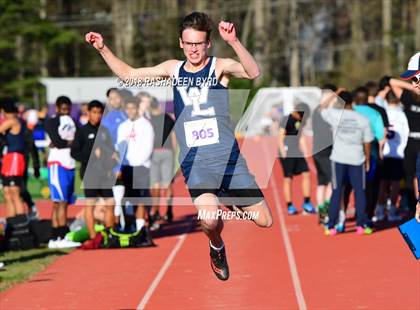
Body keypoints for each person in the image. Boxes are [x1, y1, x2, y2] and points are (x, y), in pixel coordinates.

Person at [86, 11, 273, 281]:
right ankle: (216, 246)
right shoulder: (173, 69)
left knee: (264, 221)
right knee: (209, 220)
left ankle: (230, 200)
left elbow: (253, 72)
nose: (193, 49)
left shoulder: (218, 67)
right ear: (180, 43)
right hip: (196, 163)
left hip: (228, 160)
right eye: (189, 43)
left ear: (207, 43)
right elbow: (129, 75)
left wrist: (233, 42)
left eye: (199, 43)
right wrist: (103, 49)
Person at [320, 91, 374, 235]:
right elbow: (367, 142)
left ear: (339, 103)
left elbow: (321, 108)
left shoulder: (335, 115)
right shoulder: (363, 119)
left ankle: (331, 225)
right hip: (357, 159)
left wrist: (334, 94)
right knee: (359, 191)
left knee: (337, 191)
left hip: (338, 159)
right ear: (352, 102)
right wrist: (367, 159)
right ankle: (360, 225)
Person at [71, 100, 117, 249]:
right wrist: (92, 155)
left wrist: (114, 156)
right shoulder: (82, 131)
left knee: (111, 203)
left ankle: (110, 234)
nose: (97, 116)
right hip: (90, 174)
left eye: (99, 113)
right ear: (88, 113)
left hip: (105, 174)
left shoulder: (104, 131)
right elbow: (74, 152)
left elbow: (111, 149)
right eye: (94, 112)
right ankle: (93, 237)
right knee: (89, 205)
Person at [45, 96, 80, 249]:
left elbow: (79, 140)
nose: (66, 112)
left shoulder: (73, 121)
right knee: (59, 202)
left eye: (68, 109)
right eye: (63, 109)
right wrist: (68, 143)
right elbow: (57, 141)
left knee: (65, 203)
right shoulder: (52, 121)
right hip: (57, 164)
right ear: (57, 108)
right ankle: (58, 235)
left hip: (70, 164)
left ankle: (59, 236)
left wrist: (66, 143)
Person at [117, 96, 154, 233]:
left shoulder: (146, 125)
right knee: (127, 199)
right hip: (126, 168)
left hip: (141, 167)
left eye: (133, 108)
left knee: (140, 198)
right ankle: (128, 226)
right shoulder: (123, 126)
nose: (130, 111)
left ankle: (140, 229)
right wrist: (121, 166)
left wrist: (138, 164)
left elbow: (148, 147)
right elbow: (120, 148)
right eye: (128, 108)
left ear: (138, 109)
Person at [390, 52, 420, 217]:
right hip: (412, 142)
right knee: (409, 174)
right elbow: (392, 82)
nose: (413, 85)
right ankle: (408, 202)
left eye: (415, 79)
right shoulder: (409, 97)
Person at [375, 91, 409, 222]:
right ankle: (392, 211)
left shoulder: (382, 113)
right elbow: (406, 135)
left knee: (382, 183)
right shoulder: (402, 115)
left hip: (384, 153)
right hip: (397, 154)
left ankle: (379, 210)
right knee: (395, 184)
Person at [278, 102, 316, 215]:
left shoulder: (301, 120)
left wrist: (305, 151)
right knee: (288, 178)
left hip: (297, 151)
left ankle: (307, 202)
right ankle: (289, 205)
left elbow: (301, 136)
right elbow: (280, 137)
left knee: (306, 173)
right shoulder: (287, 119)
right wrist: (283, 152)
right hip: (287, 151)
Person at [149, 96, 176, 228]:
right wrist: (175, 152)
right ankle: (169, 210)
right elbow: (174, 136)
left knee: (155, 184)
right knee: (167, 183)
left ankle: (156, 211)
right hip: (167, 151)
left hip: (153, 152)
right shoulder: (167, 118)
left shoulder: (148, 120)